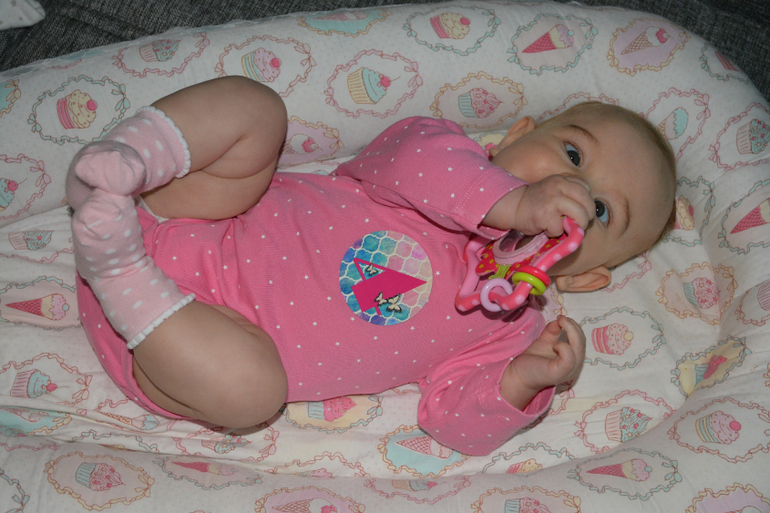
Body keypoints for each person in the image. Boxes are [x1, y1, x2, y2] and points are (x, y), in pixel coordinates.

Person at [67, 76, 676, 455]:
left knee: (253, 395)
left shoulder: (509, 328)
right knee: (257, 110)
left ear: (587, 277)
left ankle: (116, 271)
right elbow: (403, 155)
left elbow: (451, 423)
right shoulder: (441, 156)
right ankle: (126, 160)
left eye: (600, 211)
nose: (574, 190)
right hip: (191, 208)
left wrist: (526, 381)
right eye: (572, 153)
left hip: (172, 343)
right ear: (514, 135)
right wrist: (508, 203)